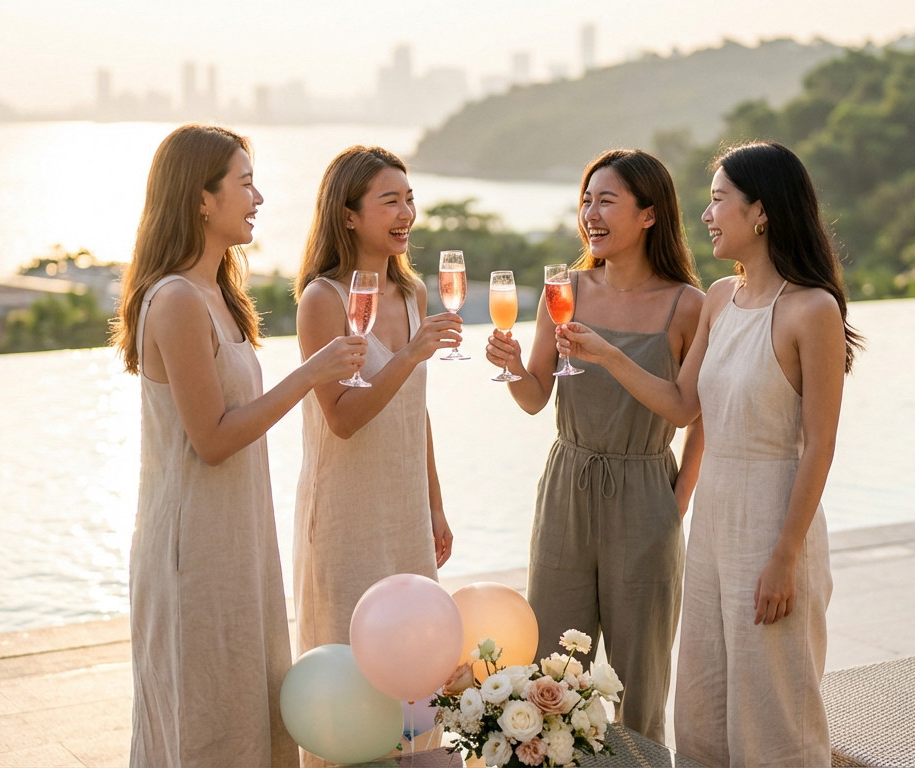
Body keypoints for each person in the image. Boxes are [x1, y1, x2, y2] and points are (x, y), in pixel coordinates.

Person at [558, 140, 864, 766]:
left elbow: (820, 446)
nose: (706, 215)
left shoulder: (813, 310)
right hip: (713, 525)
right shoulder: (722, 297)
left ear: (762, 211)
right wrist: (607, 356)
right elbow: (680, 405)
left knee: (774, 708)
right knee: (701, 707)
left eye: (719, 200)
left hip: (775, 521)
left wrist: (785, 557)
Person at [113, 124, 365, 767]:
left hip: (237, 538)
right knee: (207, 722)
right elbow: (213, 439)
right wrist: (310, 374)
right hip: (194, 551)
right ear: (201, 198)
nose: (258, 198)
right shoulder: (175, 299)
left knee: (247, 711)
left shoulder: (219, 294)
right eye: (245, 183)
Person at [484, 148, 704, 743]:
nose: (591, 214)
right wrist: (511, 366)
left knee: (640, 682)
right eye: (586, 200)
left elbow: (690, 411)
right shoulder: (566, 290)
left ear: (649, 215)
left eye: (607, 201)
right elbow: (535, 397)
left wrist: (677, 500)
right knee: (552, 676)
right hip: (567, 486)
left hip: (646, 493)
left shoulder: (688, 305)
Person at [293, 145, 460, 657]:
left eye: (409, 199)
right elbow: (341, 419)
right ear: (348, 215)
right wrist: (409, 354)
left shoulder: (413, 295)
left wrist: (434, 505)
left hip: (405, 513)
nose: (406, 213)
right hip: (347, 515)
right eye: (390, 201)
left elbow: (414, 411)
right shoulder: (323, 299)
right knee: (346, 663)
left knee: (416, 662)